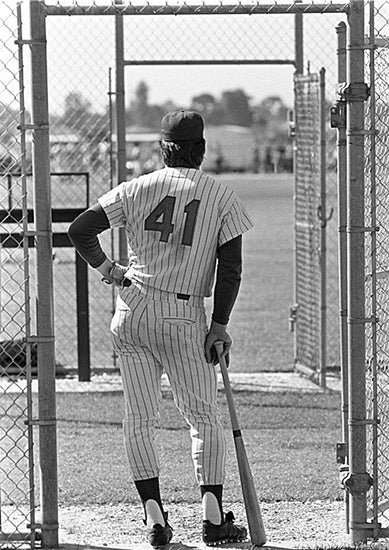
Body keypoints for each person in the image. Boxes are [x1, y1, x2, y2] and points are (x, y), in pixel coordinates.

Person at [68, 110, 254, 547]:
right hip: (183, 315)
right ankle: (212, 517)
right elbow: (231, 270)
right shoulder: (222, 196)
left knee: (140, 418)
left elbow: (81, 229)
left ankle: (154, 516)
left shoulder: (136, 187)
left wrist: (110, 270)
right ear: (203, 150)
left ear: (162, 149)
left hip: (132, 309)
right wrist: (220, 326)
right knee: (204, 417)